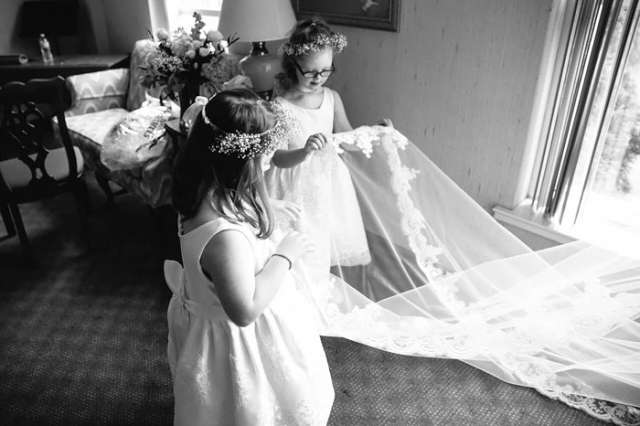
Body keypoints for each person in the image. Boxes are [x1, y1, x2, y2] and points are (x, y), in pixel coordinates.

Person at [165, 88, 334, 426]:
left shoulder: (202, 189)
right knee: (246, 406)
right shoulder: (224, 238)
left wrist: (267, 207)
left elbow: (232, 209)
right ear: (239, 161)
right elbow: (244, 311)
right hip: (237, 340)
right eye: (265, 157)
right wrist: (284, 256)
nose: (268, 162)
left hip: (207, 313)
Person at [265, 17, 391, 272]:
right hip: (294, 185)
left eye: (325, 71)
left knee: (321, 244)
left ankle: (321, 286)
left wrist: (373, 132)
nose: (318, 78)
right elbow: (278, 158)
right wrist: (304, 151)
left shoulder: (332, 98)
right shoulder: (280, 107)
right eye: (310, 71)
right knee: (297, 250)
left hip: (327, 183)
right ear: (292, 65)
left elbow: (346, 138)